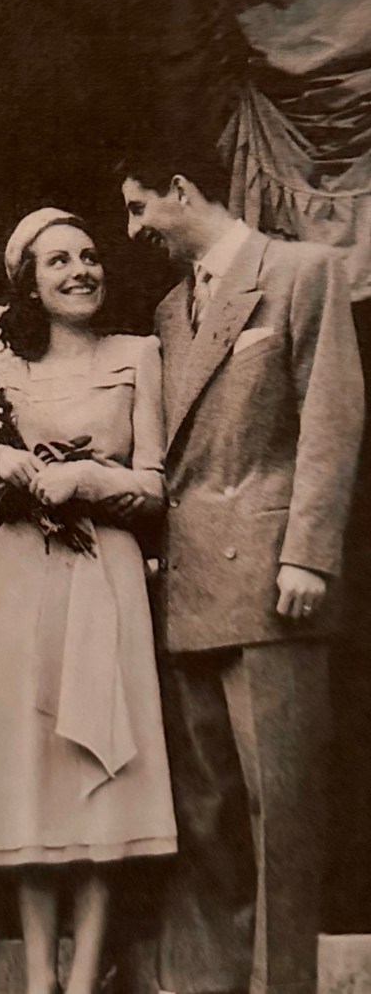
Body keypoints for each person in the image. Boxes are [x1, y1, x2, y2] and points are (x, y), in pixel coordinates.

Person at [120, 145, 365, 994]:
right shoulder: (168, 310)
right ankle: (210, 983)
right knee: (208, 812)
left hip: (271, 585)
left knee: (280, 816)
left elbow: (331, 414)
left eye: (139, 206)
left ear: (180, 189)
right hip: (189, 588)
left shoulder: (302, 272)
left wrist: (308, 553)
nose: (133, 229)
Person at [0, 207, 177, 994]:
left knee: (97, 767)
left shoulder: (138, 355)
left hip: (105, 575)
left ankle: (83, 978)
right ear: (30, 286)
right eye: (60, 262)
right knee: (30, 771)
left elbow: (155, 487)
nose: (81, 270)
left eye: (88, 256)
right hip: (20, 584)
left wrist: (88, 479)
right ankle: (37, 979)